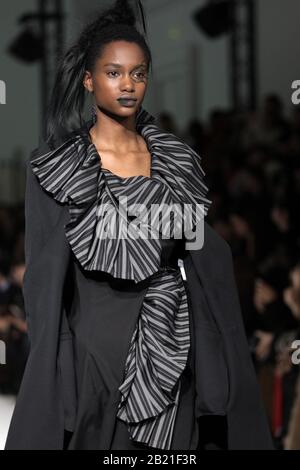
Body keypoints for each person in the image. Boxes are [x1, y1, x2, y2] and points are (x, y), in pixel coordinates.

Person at [5, 0, 274, 450]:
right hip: (92, 360)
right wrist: (58, 372)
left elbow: (206, 260)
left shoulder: (177, 162)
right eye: (114, 73)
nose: (128, 84)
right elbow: (45, 284)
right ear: (89, 80)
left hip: (170, 346)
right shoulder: (57, 168)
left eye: (138, 73)